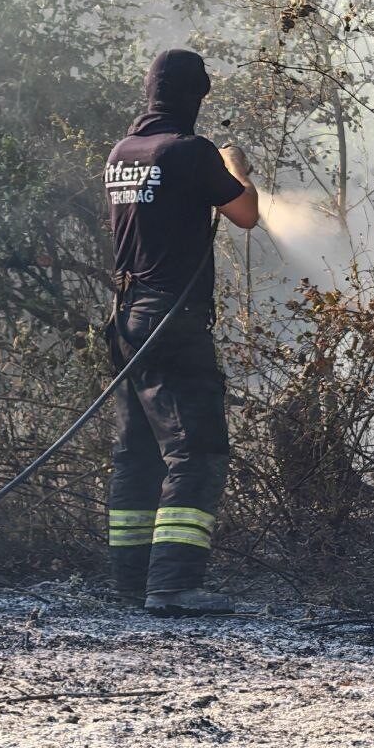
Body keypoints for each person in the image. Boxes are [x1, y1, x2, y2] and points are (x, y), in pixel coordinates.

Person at [103, 48, 259, 616]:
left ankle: (129, 581)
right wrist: (235, 165)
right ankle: (173, 585)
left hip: (125, 320)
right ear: (197, 96)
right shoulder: (190, 152)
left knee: (137, 454)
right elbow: (245, 214)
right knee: (198, 449)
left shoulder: (123, 152)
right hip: (172, 321)